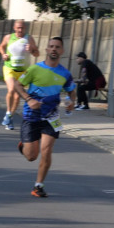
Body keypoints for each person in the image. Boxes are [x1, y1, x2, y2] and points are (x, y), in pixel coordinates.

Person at [14, 37, 76, 198]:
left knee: (47, 151)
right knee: (31, 156)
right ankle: (23, 146)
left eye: (57, 47)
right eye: (51, 46)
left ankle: (38, 186)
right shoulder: (35, 69)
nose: (54, 49)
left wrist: (71, 102)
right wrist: (29, 99)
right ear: (47, 50)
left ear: (62, 51)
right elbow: (17, 85)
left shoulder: (65, 73)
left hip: (51, 117)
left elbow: (71, 90)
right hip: (32, 115)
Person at [0, 20, 39, 130]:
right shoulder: (8, 37)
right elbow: (1, 46)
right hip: (9, 68)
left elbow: (37, 53)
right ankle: (8, 112)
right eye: (18, 28)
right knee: (11, 89)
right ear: (14, 28)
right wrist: (3, 54)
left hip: (22, 71)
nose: (20, 30)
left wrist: (31, 50)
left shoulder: (29, 38)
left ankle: (10, 117)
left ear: (25, 28)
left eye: (22, 28)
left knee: (17, 97)